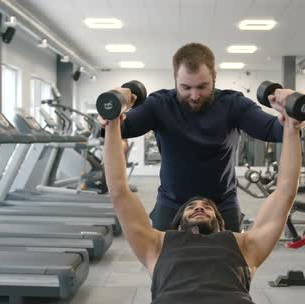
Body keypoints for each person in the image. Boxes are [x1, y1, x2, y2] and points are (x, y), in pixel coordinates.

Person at [103, 88, 303, 304]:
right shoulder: (158, 245)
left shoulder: (244, 245)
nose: (199, 205)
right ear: (176, 223)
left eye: (207, 206)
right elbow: (119, 192)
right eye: (192, 207)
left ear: (222, 222)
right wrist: (112, 124)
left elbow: (285, 192)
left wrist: (291, 128)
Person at [99, 42, 291, 232]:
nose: (194, 95)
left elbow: (272, 130)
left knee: (231, 262)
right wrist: (111, 114)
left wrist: (289, 118)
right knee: (162, 260)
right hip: (172, 203)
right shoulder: (160, 104)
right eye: (186, 87)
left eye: (202, 87)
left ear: (214, 77)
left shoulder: (234, 104)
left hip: (222, 205)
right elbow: (118, 129)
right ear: (175, 79)